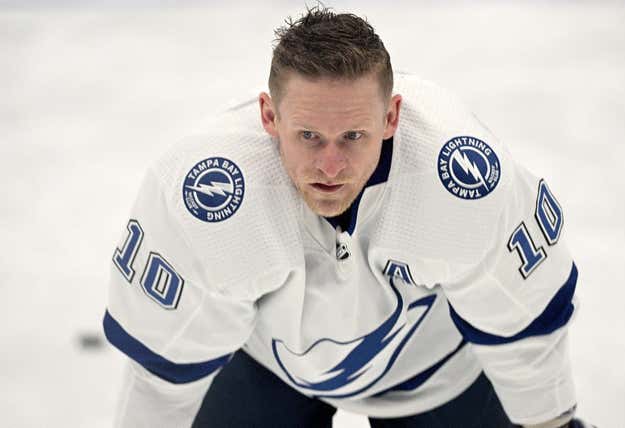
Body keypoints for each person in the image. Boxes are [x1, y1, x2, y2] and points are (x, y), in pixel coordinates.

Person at [103, 6, 595, 428]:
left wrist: (547, 419)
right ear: (269, 117)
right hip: (264, 365)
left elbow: (525, 321)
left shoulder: (462, 177)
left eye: (353, 137)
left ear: (391, 117)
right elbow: (161, 375)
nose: (330, 166)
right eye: (310, 136)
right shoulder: (208, 194)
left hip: (437, 372)